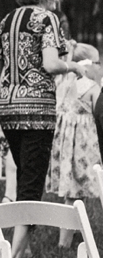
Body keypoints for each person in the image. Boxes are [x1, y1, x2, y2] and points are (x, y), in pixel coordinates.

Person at [0, 0, 87, 258]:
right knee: (31, 184)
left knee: (24, 174)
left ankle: (24, 249)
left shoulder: (6, 21)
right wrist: (75, 68)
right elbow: (51, 64)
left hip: (6, 106)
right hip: (37, 110)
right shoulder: (47, 19)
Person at [46, 42, 102, 247]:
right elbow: (100, 113)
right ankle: (64, 242)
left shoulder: (62, 83)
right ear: (88, 64)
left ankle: (75, 231)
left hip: (65, 146)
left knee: (75, 190)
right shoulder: (91, 87)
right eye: (98, 62)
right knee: (74, 193)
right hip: (82, 146)